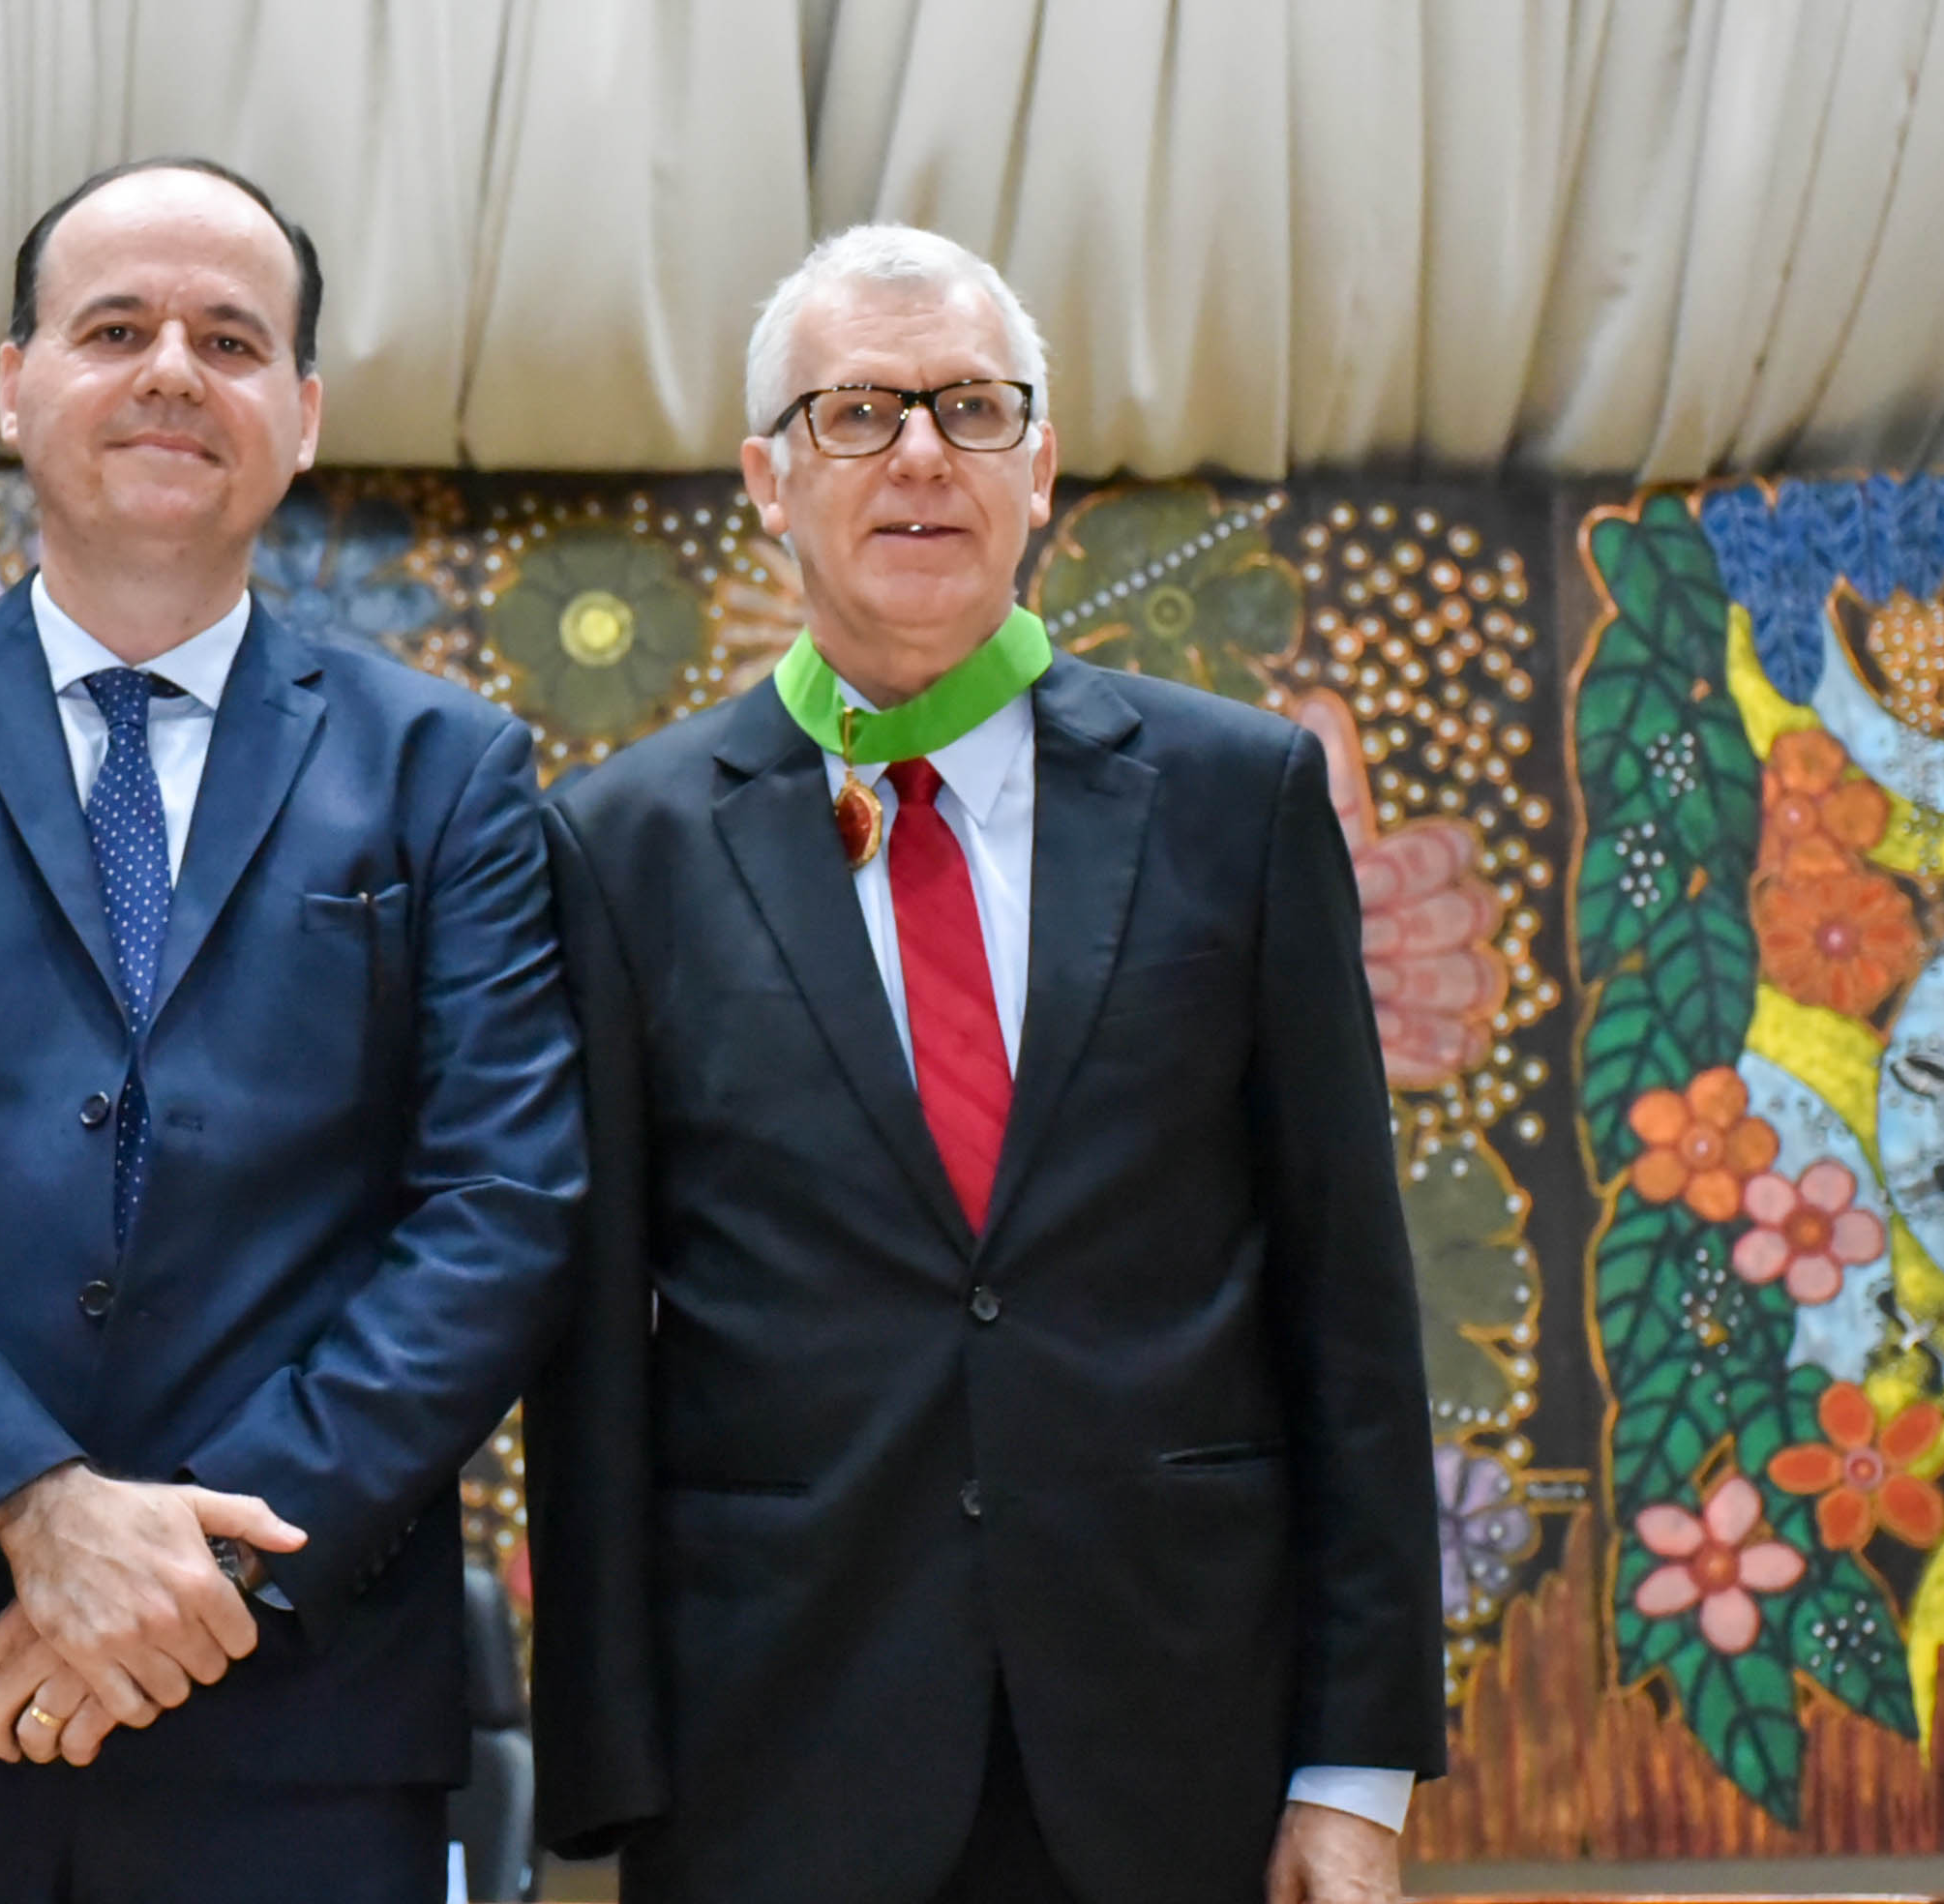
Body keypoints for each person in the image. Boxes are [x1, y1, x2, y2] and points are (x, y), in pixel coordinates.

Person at [0, 157, 583, 1904]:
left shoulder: (447, 770)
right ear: (15, 384)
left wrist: (181, 1576)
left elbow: (500, 1213)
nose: (172, 368)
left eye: (232, 339)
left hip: (296, 1710)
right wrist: (36, 1508)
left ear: (301, 417)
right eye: (114, 327)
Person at [525, 224, 1444, 1904]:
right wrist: (607, 1782)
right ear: (767, 480)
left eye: (972, 407)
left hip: (1184, 1746)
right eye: (857, 414)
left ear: (1043, 469)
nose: (923, 456)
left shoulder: (1237, 801)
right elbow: (591, 1350)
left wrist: (1358, 1770)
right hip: (774, 1757)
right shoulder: (619, 846)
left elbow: (1350, 1297)